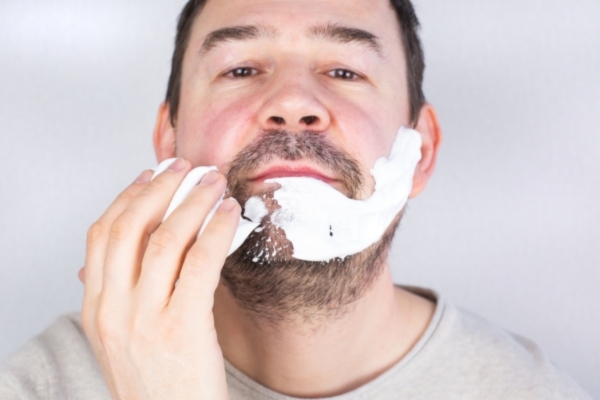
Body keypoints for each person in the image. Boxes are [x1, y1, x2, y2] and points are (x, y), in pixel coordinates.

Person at [0, 0, 591, 399]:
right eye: (240, 68)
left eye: (344, 70)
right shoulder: (41, 384)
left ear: (422, 152)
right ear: (169, 140)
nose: (291, 101)